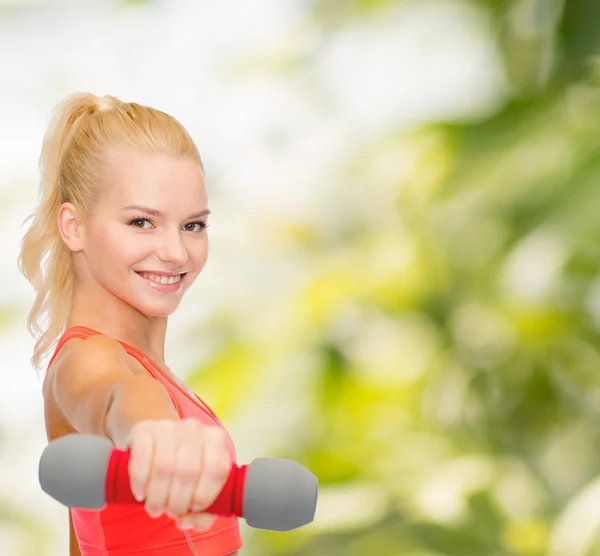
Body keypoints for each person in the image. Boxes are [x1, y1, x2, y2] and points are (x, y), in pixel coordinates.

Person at [17, 92, 242, 556]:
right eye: (142, 222)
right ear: (73, 226)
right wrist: (152, 432)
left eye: (193, 226)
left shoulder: (147, 365)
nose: (177, 253)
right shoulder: (87, 358)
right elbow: (118, 395)